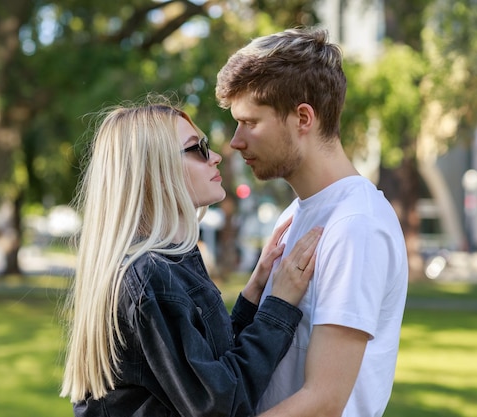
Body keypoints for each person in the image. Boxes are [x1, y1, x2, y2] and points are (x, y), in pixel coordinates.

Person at [59, 100, 323, 417]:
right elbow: (219, 405)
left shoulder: (170, 261)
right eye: (196, 149)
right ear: (155, 172)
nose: (213, 158)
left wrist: (253, 293)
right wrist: (279, 305)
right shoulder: (150, 277)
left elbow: (207, 367)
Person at [215, 27, 409, 417]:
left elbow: (323, 401)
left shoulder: (356, 225)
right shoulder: (295, 214)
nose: (236, 141)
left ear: (302, 117)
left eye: (250, 122)